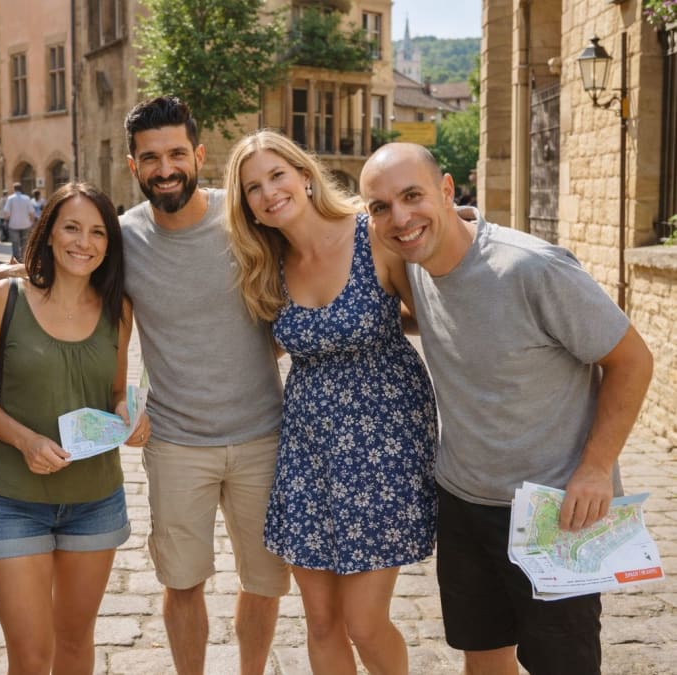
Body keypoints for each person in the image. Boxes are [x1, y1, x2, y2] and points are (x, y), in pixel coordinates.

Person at [360, 142, 654, 675]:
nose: (400, 218)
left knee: (563, 664)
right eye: (380, 207)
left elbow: (632, 360)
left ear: (446, 191)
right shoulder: (417, 267)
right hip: (464, 503)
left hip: (555, 510)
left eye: (412, 196)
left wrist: (594, 469)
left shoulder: (532, 268)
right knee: (483, 656)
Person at [224, 130, 437, 674]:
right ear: (245, 205)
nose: (269, 192)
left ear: (303, 173)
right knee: (320, 623)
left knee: (365, 623)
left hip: (385, 448)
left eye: (277, 175)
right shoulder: (264, 265)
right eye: (253, 187)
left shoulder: (374, 236)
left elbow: (436, 324)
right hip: (308, 451)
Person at [121, 96, 290, 674]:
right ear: (133, 166)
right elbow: (110, 332)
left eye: (175, 154)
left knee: (265, 579)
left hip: (264, 436)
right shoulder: (122, 240)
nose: (164, 168)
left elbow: (323, 246)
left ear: (197, 155)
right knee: (181, 581)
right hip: (174, 441)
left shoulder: (244, 219)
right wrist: (120, 404)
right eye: (150, 158)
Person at [0, 181, 150, 674]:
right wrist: (25, 440)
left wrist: (127, 416)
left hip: (95, 500)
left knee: (74, 645)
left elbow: (115, 390)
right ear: (48, 233)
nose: (83, 242)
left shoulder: (119, 310)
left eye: (97, 232)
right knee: (30, 656)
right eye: (71, 227)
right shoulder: (4, 297)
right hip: (9, 499)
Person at [2, 182, 35, 261]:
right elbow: (32, 212)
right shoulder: (27, 198)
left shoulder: (10, 198)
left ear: (14, 189)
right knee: (25, 242)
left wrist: (6, 220)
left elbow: (6, 213)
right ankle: (24, 259)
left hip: (13, 225)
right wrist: (32, 223)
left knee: (15, 243)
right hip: (26, 224)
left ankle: (17, 260)